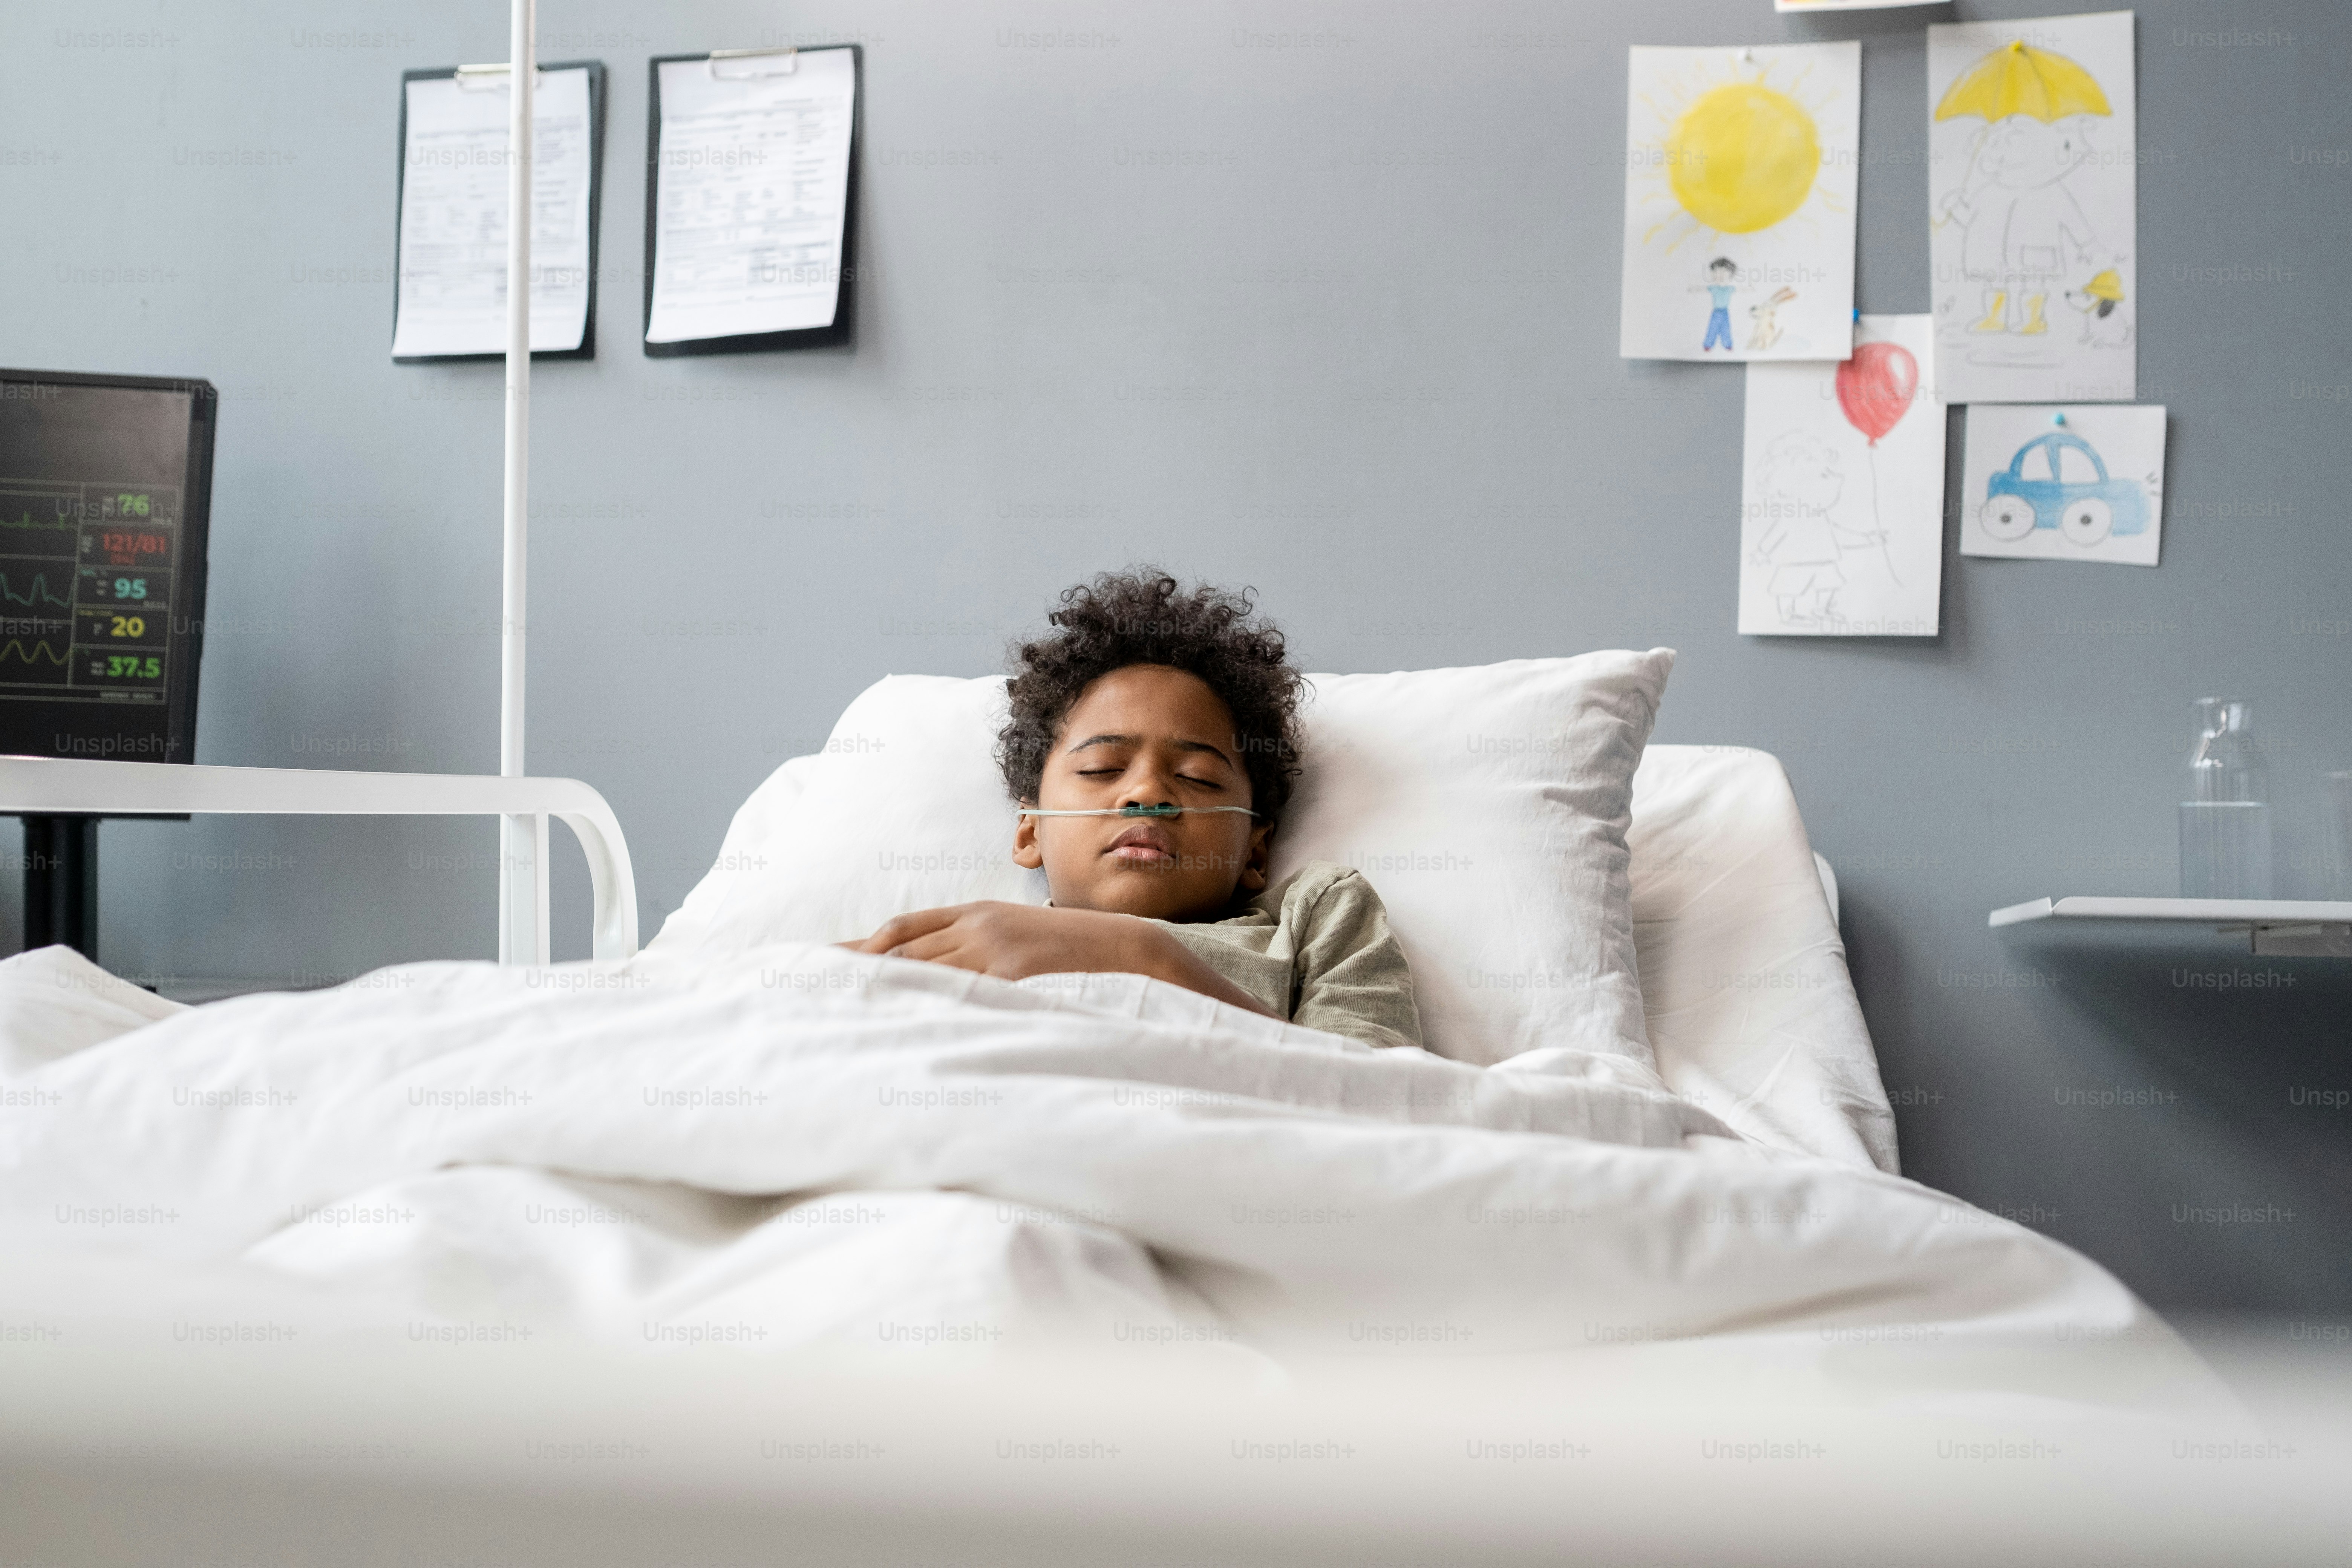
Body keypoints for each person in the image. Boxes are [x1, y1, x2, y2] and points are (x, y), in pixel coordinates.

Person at [843, 570, 1423, 1050]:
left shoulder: (1314, 915)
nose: (1147, 794)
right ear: (1030, 833)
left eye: (1195, 777)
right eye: (1102, 770)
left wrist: (1144, 958)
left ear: (1256, 850)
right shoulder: (968, 942)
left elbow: (1382, 1103)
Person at [1698, 257, 1738, 352]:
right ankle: (1708, 344)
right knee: (1712, 329)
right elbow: (1702, 289)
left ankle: (1728, 345)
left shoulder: (1730, 289)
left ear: (1731, 275)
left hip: (1725, 312)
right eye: (1717, 273)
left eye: (1723, 273)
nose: (1720, 276)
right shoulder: (1714, 288)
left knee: (1726, 329)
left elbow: (1742, 290)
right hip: (1716, 312)